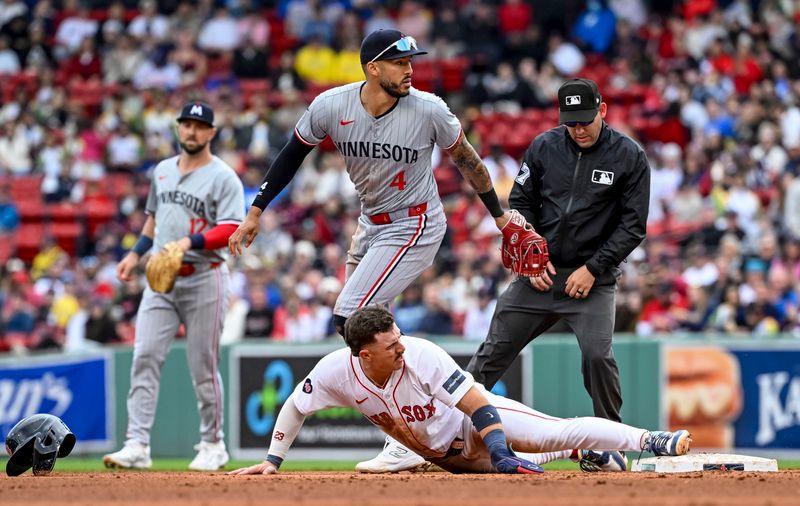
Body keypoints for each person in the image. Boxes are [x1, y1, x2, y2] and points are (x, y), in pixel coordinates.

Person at [228, 30, 515, 472]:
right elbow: (292, 153)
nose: (410, 69)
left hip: (416, 222)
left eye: (411, 61)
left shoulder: (429, 109)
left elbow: (468, 159)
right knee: (371, 329)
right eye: (399, 62)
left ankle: (409, 435)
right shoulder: (332, 105)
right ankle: (410, 433)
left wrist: (498, 216)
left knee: (348, 319)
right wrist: (256, 210)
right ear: (373, 68)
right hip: (370, 226)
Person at [227, 306, 691, 476]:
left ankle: (653, 441)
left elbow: (476, 403)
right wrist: (272, 461)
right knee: (526, 458)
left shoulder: (421, 354)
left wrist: (497, 446)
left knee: (554, 432)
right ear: (364, 354)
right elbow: (295, 406)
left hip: (469, 425)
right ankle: (586, 457)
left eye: (399, 336)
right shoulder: (337, 371)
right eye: (390, 345)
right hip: (444, 459)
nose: (401, 347)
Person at [466, 78, 651, 434]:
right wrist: (531, 256)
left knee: (598, 356)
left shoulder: (629, 156)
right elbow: (521, 203)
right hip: (539, 274)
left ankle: (608, 442)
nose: (579, 129)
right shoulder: (543, 146)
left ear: (603, 110)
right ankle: (446, 432)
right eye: (572, 121)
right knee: (491, 355)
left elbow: (632, 226)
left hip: (592, 278)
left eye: (585, 119)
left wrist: (593, 269)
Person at [103, 102, 245, 471]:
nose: (192, 132)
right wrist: (135, 254)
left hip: (205, 276)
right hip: (160, 281)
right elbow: (153, 221)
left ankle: (213, 444)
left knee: (203, 365)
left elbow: (232, 228)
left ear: (212, 132)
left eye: (200, 126)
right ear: (178, 129)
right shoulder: (162, 171)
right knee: (145, 356)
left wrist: (188, 243)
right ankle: (136, 444)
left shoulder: (223, 176)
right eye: (187, 125)